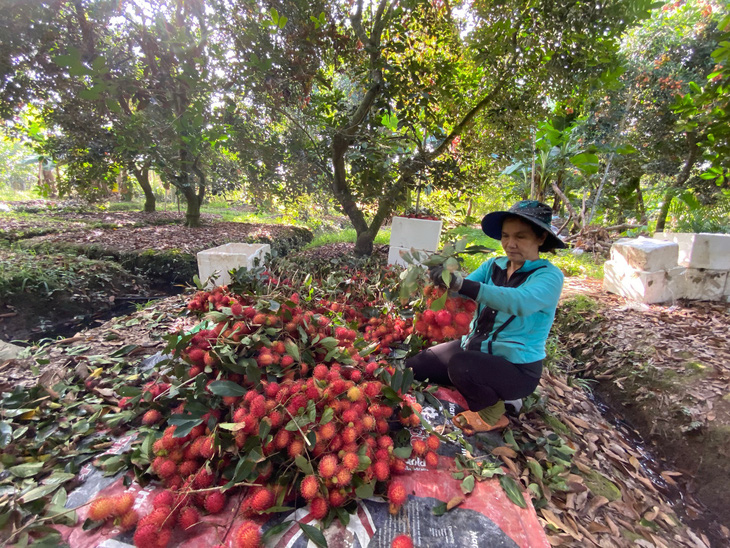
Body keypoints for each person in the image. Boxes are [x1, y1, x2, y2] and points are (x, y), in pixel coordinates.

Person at [406, 200, 565, 433]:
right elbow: (464, 288)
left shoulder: (550, 277)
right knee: (415, 367)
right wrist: (444, 278)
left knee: (462, 365)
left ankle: (496, 411)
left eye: (520, 237)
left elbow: (518, 301)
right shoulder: (494, 266)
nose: (510, 244)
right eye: (506, 236)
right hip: (475, 351)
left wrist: (463, 285)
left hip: (516, 368)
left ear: (541, 238)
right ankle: (480, 383)